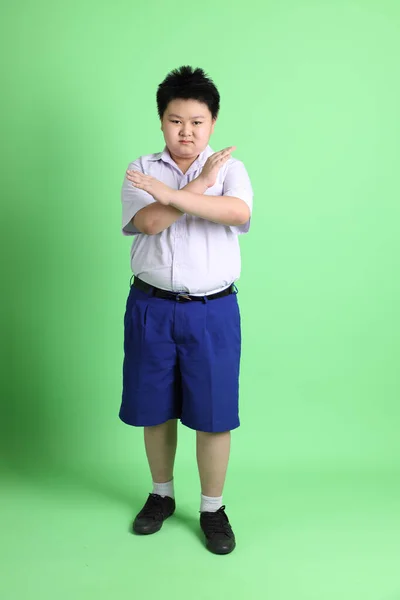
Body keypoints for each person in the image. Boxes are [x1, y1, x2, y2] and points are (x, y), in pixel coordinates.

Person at [119, 65, 253, 555]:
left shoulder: (231, 169)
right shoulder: (142, 168)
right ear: (161, 121)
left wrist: (185, 192)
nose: (187, 132)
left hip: (212, 311)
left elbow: (237, 213)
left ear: (212, 123)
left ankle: (213, 507)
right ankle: (161, 495)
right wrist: (196, 189)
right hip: (152, 307)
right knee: (156, 408)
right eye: (176, 121)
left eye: (197, 121)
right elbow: (151, 221)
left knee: (215, 415)